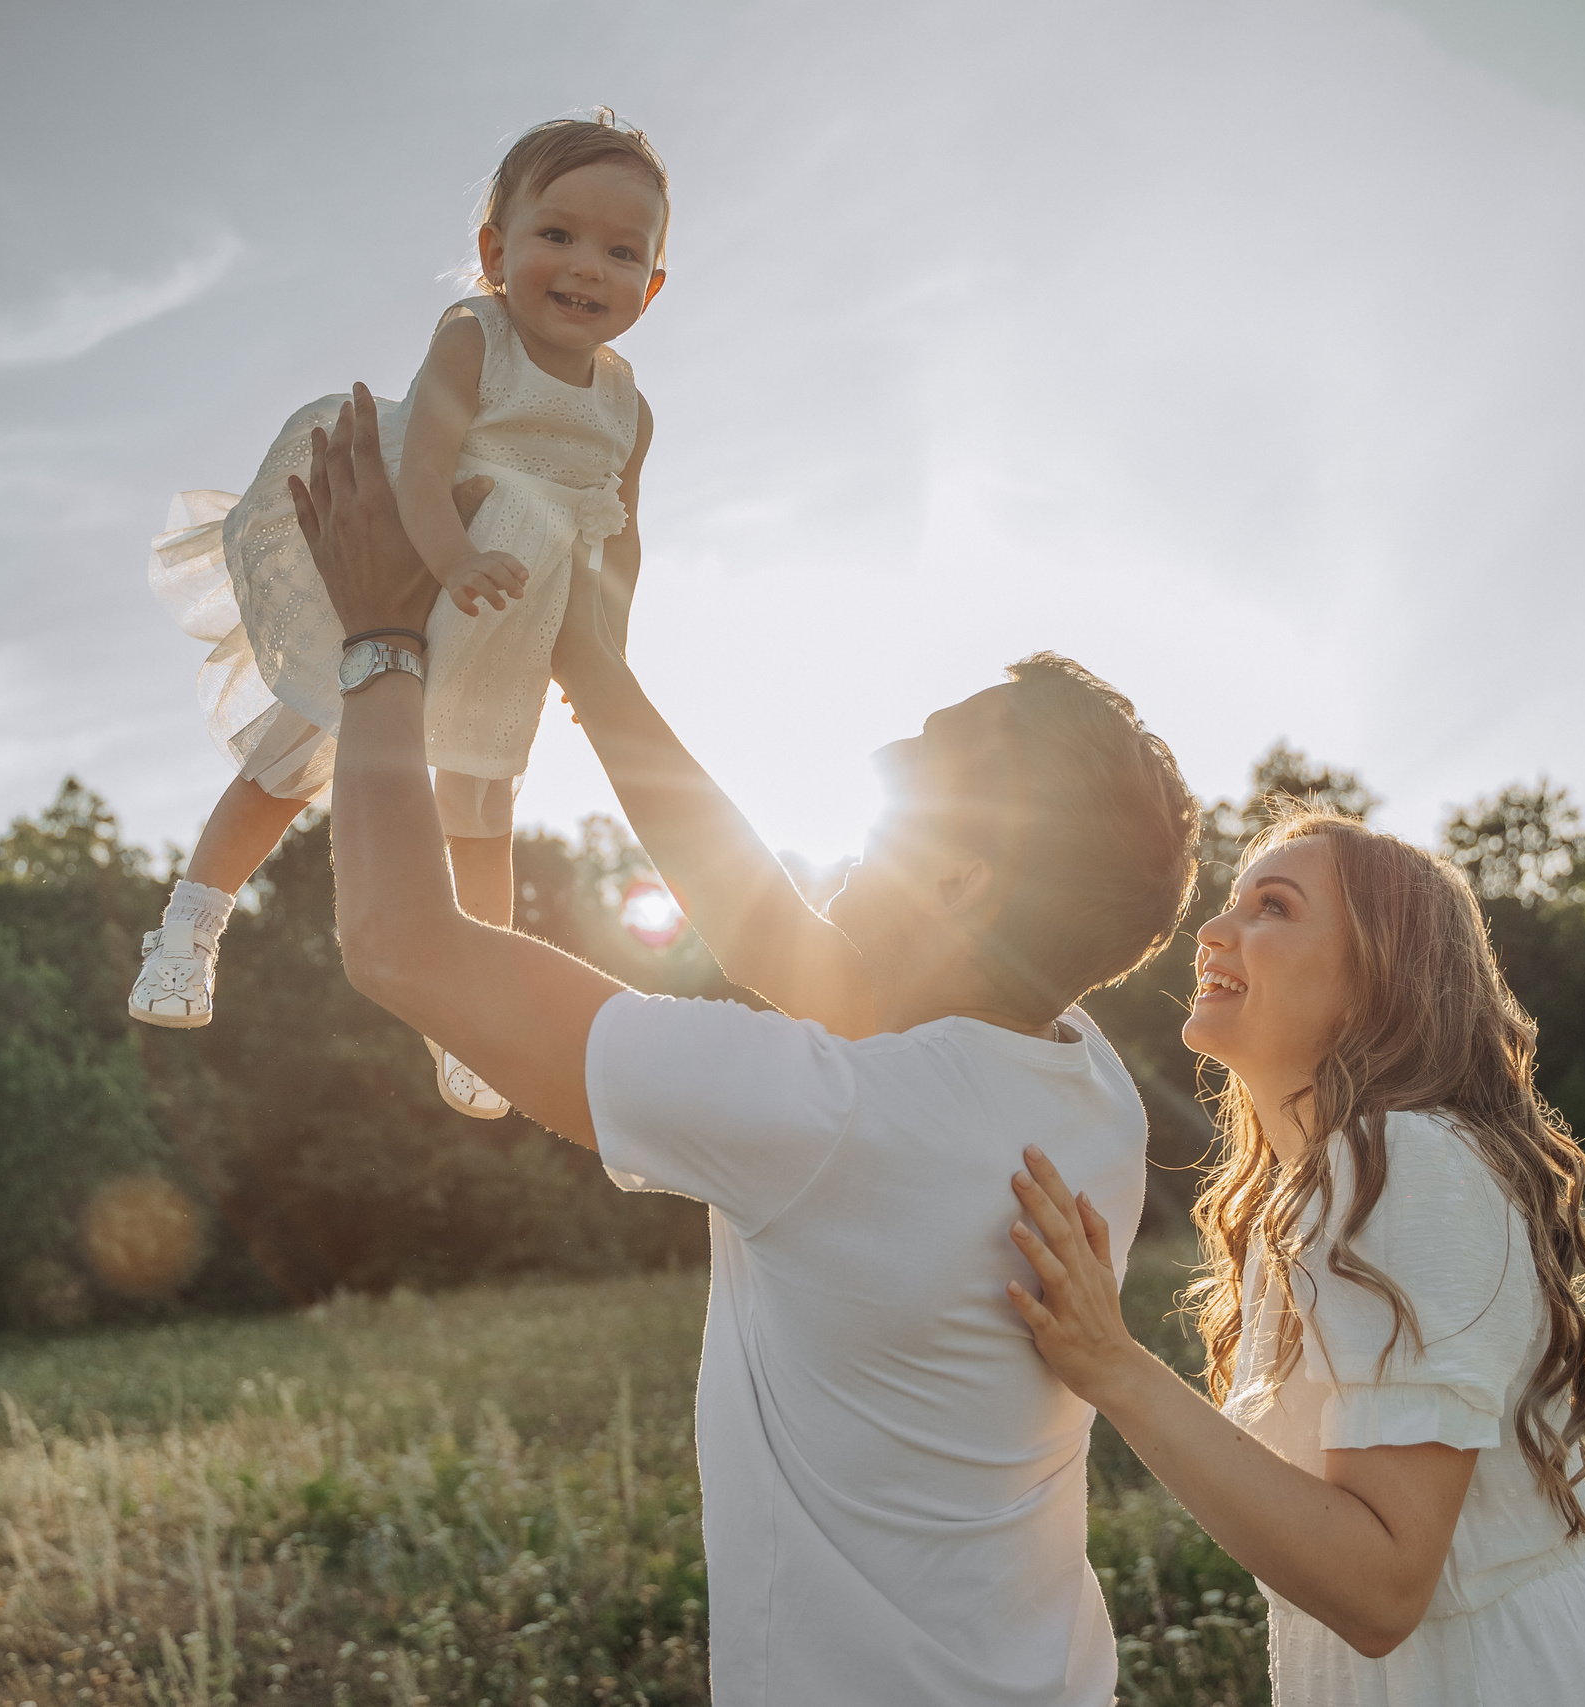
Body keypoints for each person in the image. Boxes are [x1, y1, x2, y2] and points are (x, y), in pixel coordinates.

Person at [288, 387, 1202, 1704]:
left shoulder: (829, 1117)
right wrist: (595, 668)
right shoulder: (1087, 1086)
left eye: (930, 756)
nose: (887, 752)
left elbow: (401, 942)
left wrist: (378, 638)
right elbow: (794, 946)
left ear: (958, 881)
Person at [1004, 810, 1585, 1705]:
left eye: (1273, 906)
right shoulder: (1317, 1190)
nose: (1212, 929)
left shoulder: (1403, 1159)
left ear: (1377, 979)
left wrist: (1112, 1365)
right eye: (1232, 901)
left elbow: (1384, 1584)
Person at [131, 111, 667, 1120]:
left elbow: (618, 537)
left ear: (652, 283)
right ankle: (188, 931)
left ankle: (472, 1018)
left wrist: (607, 663)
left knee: (482, 815)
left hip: (507, 616)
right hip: (404, 567)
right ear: (495, 252)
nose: (586, 265)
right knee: (288, 765)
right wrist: (452, 556)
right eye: (556, 235)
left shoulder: (627, 411)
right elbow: (425, 469)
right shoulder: (475, 336)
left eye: (621, 249)